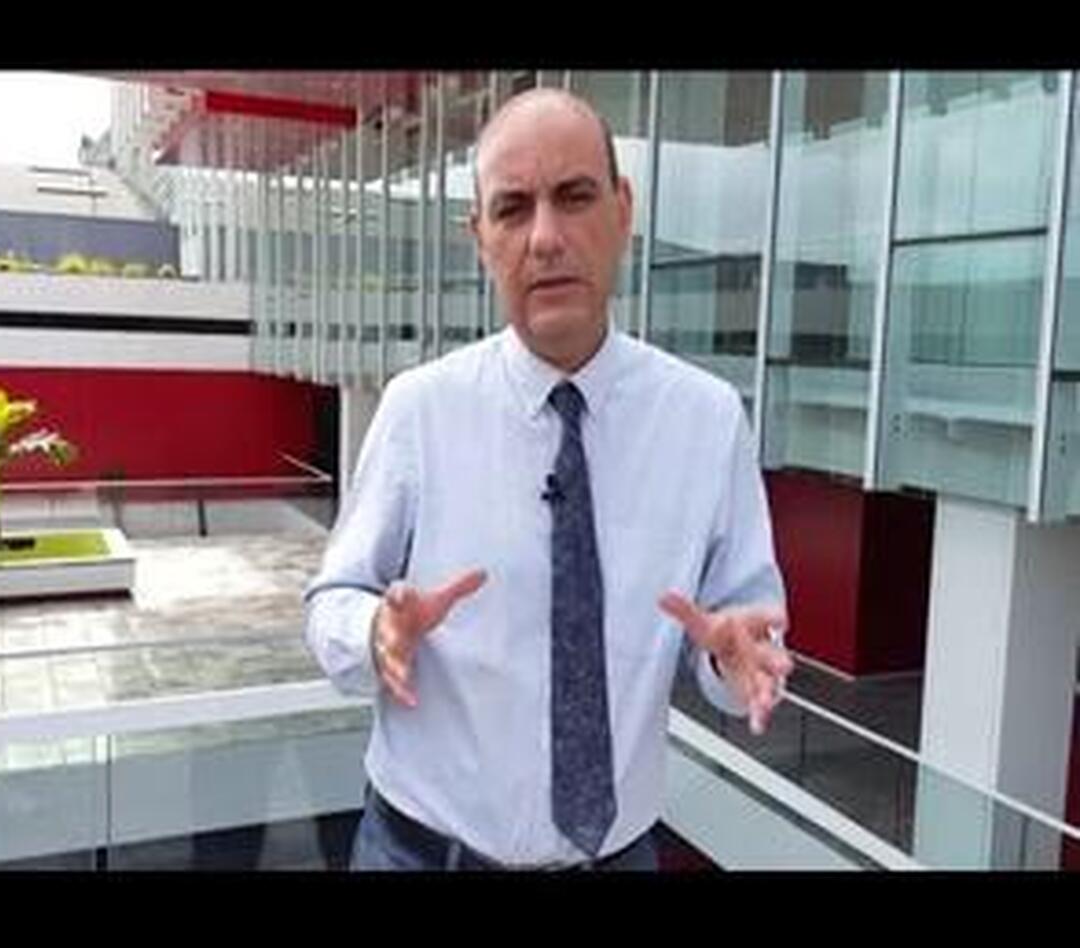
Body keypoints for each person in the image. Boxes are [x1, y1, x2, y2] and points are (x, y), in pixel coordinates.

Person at [303, 88, 793, 872]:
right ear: (480, 238)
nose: (545, 238)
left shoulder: (706, 422)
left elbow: (741, 637)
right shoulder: (419, 410)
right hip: (421, 853)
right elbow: (331, 601)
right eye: (512, 209)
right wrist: (375, 632)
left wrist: (735, 662)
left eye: (574, 197)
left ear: (623, 210)